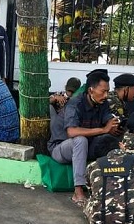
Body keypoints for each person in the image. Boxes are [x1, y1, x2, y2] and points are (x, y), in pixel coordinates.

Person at [47, 69, 119, 206]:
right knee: (80, 139)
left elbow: (107, 119)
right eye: (103, 91)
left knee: (110, 140)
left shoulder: (103, 103)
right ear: (91, 90)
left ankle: (111, 189)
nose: (106, 95)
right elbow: (72, 132)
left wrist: (114, 125)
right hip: (60, 148)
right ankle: (78, 192)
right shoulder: (75, 104)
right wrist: (103, 129)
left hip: (86, 146)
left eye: (107, 91)